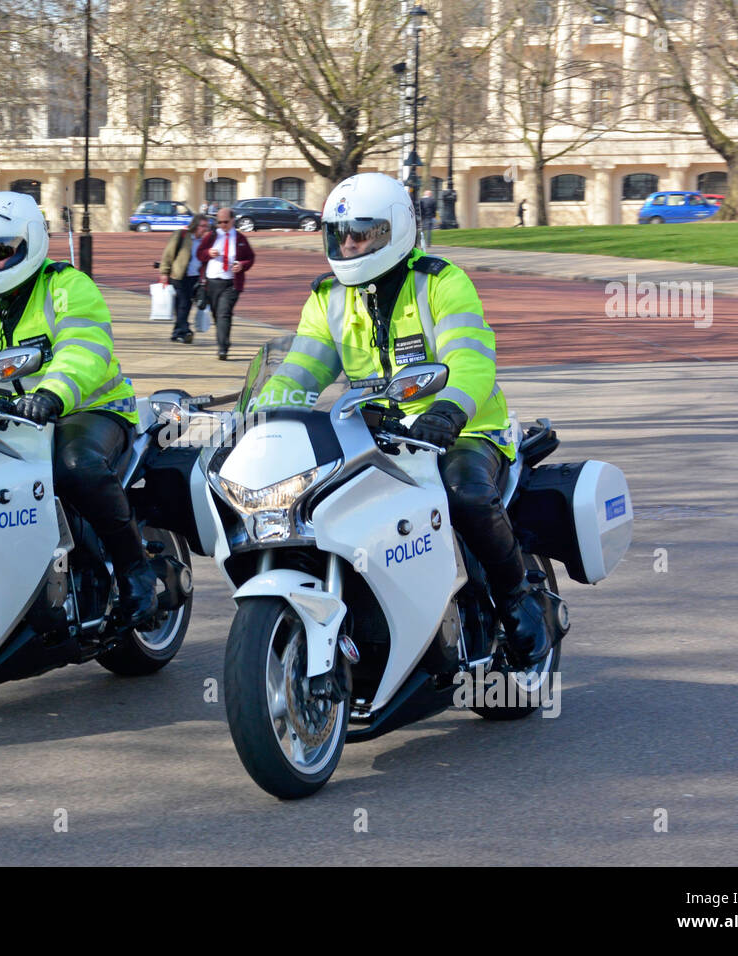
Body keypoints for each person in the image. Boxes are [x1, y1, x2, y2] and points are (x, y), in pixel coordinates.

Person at [256, 171, 552, 668]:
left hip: (463, 429)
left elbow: (472, 359)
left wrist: (448, 410)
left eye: (362, 232)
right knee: (317, 503)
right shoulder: (329, 297)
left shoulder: (440, 282)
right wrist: (257, 421)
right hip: (373, 433)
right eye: (339, 234)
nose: (349, 244)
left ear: (394, 230)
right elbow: (300, 370)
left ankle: (517, 598)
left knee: (467, 495)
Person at [0, 191, 158, 628]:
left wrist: (53, 394)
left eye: (0, 252)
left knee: (73, 465)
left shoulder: (66, 286)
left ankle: (136, 571)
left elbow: (85, 349)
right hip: (6, 417)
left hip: (87, 409)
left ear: (28, 246)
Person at [197, 206, 255, 360]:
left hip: (231, 283)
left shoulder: (241, 239)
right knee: (217, 314)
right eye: (219, 222)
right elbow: (199, 254)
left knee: (224, 313)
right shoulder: (211, 237)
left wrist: (242, 265)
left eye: (225, 222)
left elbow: (250, 257)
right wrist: (208, 253)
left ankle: (223, 348)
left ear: (232, 220)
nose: (222, 225)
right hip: (212, 281)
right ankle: (223, 340)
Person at [158, 213, 210, 344]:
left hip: (196, 278)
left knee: (187, 305)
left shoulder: (205, 241)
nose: (205, 229)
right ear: (195, 225)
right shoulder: (181, 235)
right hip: (179, 276)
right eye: (202, 226)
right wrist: (164, 272)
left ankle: (177, 333)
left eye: (206, 226)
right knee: (182, 305)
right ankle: (185, 331)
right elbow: (168, 254)